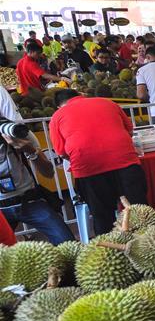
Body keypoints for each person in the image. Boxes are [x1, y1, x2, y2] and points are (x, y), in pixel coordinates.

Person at [50, 89, 147, 235]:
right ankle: (146, 240)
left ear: (59, 106)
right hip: (125, 162)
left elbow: (61, 151)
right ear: (81, 96)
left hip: (88, 169)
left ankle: (108, 245)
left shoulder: (57, 116)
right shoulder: (108, 102)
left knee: (102, 216)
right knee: (139, 210)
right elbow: (129, 130)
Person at [0, 87, 74, 245]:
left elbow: (48, 173)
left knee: (66, 242)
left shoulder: (18, 133)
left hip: (29, 200)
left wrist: (30, 150)